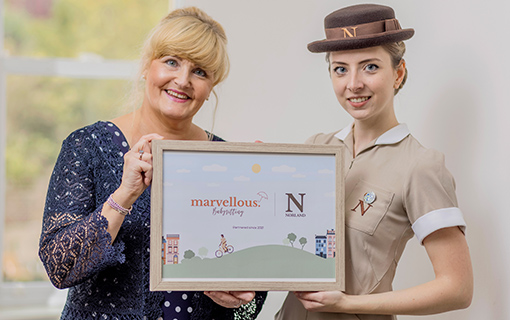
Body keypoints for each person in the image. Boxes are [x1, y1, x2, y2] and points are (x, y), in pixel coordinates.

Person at [38, 7, 266, 320]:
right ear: (147, 66)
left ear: (211, 86)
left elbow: (252, 299)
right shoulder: (88, 146)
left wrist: (240, 299)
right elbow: (58, 267)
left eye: (200, 71)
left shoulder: (227, 161)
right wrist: (122, 197)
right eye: (171, 62)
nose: (183, 80)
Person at [275, 4, 473, 320]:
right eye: (340, 69)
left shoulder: (419, 166)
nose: (353, 84)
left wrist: (346, 304)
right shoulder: (315, 149)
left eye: (369, 67)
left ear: (398, 72)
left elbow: (457, 288)